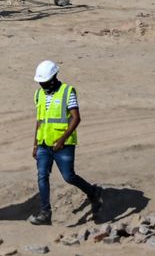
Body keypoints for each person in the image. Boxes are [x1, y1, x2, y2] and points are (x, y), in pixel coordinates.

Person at [32, 60, 105, 226]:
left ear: (54, 77)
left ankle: (93, 192)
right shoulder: (38, 94)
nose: (42, 85)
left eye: (45, 82)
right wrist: (35, 145)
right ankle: (45, 212)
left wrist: (62, 140)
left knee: (69, 176)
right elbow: (39, 121)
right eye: (40, 83)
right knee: (42, 176)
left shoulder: (67, 92)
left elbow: (76, 118)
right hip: (43, 143)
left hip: (63, 145)